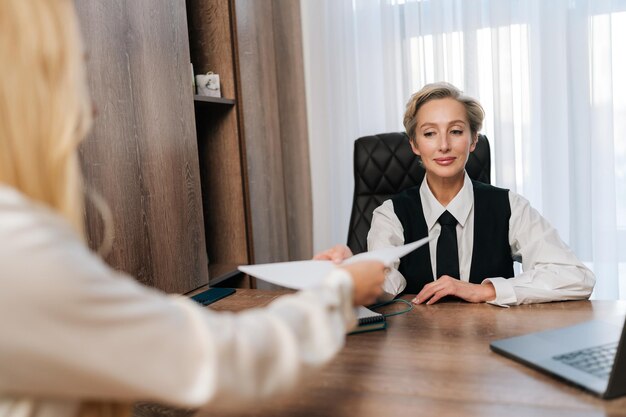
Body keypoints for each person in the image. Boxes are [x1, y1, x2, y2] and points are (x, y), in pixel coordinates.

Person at [0, 1, 385, 416]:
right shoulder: (15, 245)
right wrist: (340, 291)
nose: (91, 108)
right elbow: (222, 362)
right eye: (71, 74)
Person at [315, 82, 595, 307]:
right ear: (414, 144)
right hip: (415, 351)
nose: (444, 145)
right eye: (429, 134)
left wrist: (485, 291)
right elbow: (386, 282)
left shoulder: (509, 207)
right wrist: (352, 272)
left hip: (491, 349)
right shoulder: (390, 214)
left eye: (456, 131)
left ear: (473, 140)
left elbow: (576, 277)